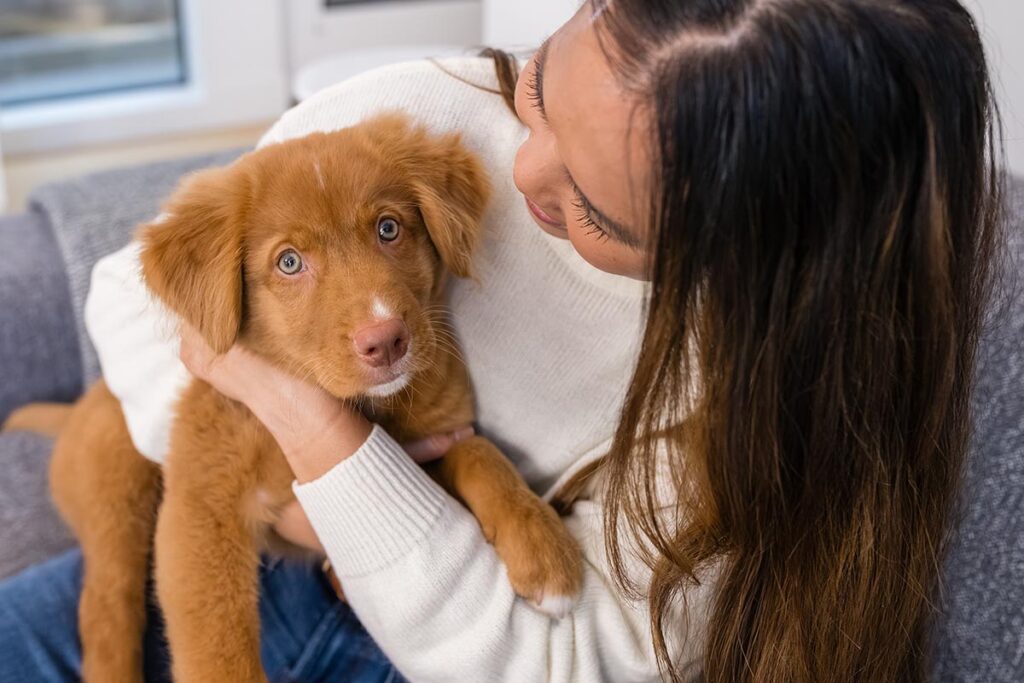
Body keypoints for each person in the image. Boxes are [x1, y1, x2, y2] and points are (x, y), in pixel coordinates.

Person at [0, 0, 1002, 681]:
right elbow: (137, 297)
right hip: (251, 558)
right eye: (539, 95)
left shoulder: (762, 400)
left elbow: (563, 655)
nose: (520, 177)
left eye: (591, 212)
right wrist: (278, 443)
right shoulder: (422, 115)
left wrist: (331, 452)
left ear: (751, 253)